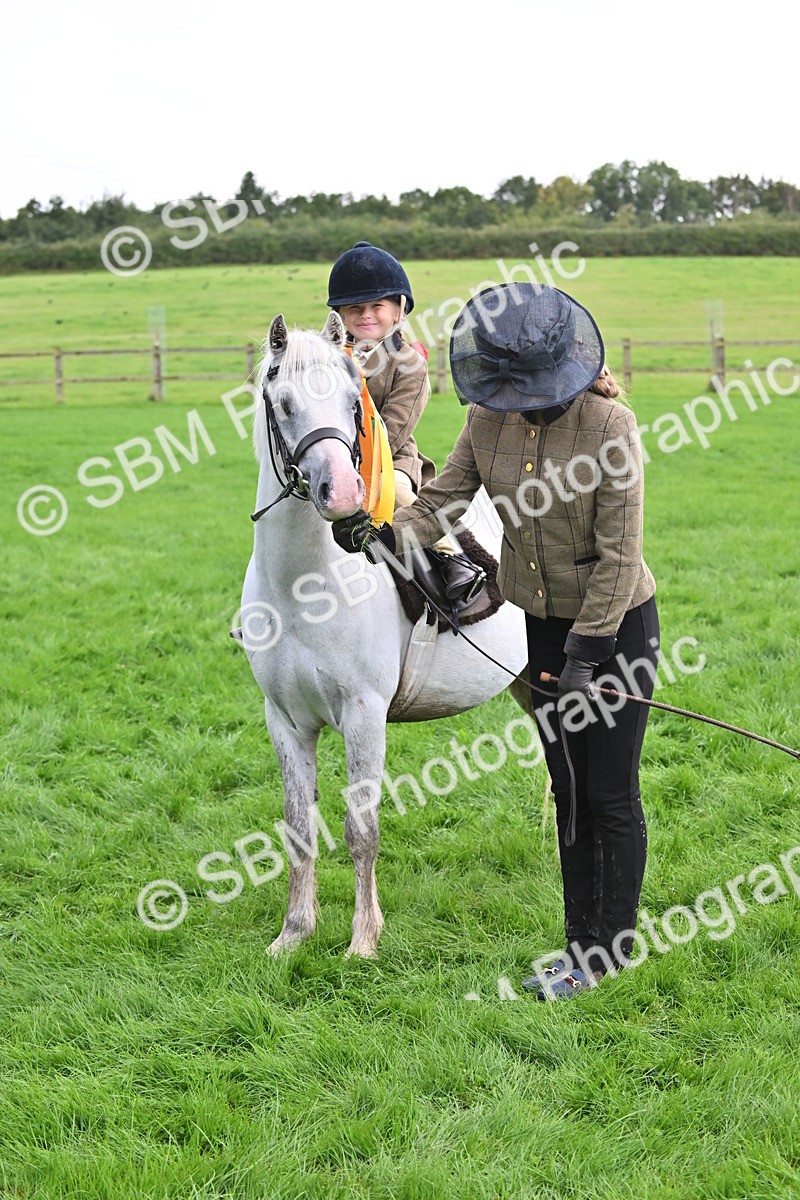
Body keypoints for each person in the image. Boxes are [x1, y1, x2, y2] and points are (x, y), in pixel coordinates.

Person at [334, 282, 659, 1000]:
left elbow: (620, 557)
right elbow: (443, 501)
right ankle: (579, 948)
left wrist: (586, 656)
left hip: (614, 628)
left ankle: (609, 951)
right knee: (568, 788)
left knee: (608, 792)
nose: (516, 400)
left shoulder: (611, 426)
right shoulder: (487, 417)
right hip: (541, 624)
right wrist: (381, 535)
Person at [327, 241, 484, 603]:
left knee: (396, 490)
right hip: (334, 454)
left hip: (390, 458)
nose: (366, 315)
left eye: (376, 307)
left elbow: (396, 428)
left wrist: (355, 460)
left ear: (398, 310)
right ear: (340, 315)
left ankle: (451, 557)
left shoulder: (409, 363)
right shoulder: (331, 359)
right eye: (355, 308)